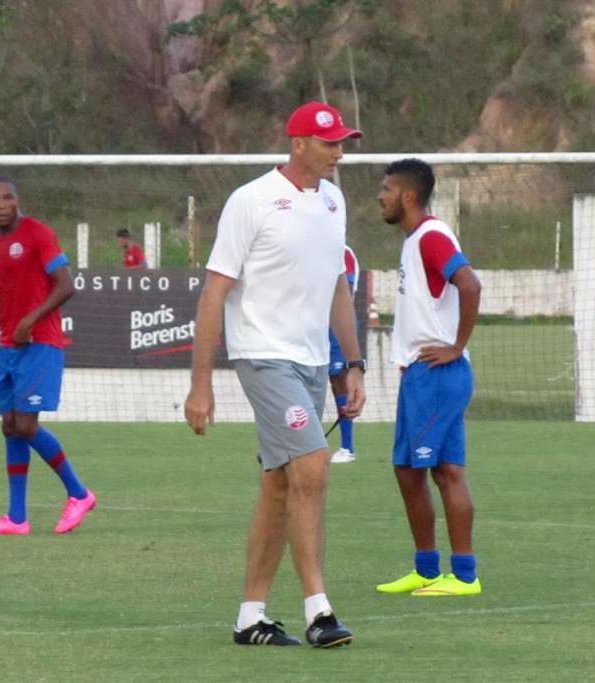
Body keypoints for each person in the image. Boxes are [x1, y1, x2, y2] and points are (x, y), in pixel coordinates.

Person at [184, 101, 366, 647]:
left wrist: (352, 364)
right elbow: (214, 292)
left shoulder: (334, 201)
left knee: (281, 486)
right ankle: (319, 612)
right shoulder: (252, 201)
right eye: (329, 142)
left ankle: (251, 617)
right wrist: (200, 384)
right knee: (313, 466)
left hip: (312, 361)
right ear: (298, 144)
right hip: (263, 356)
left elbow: (337, 285)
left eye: (341, 143)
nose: (338, 152)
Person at [374, 158, 483, 597]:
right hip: (426, 373)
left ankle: (462, 576)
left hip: (438, 371)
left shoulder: (432, 236)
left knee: (430, 471)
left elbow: (470, 284)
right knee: (422, 470)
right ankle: (431, 569)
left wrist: (456, 345)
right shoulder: (415, 240)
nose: (379, 197)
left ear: (408, 195)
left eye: (385, 189)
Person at [0, 177, 96, 536]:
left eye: (8, 197)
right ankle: (17, 518)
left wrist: (30, 319)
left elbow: (66, 284)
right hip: (8, 347)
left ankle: (79, 494)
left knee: (24, 425)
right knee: (9, 427)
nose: (1, 204)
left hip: (41, 343)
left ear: (17, 201)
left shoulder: (38, 233)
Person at [329, 244, 360, 464]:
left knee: (339, 380)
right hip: (311, 326)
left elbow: (344, 295)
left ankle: (347, 447)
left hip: (336, 327)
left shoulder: (342, 252)